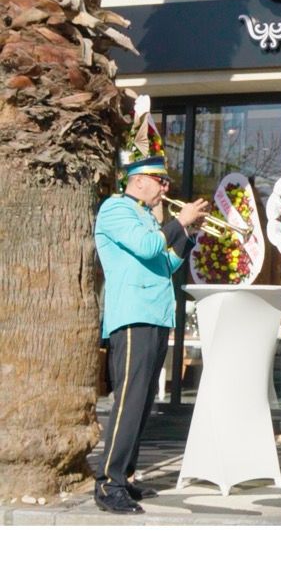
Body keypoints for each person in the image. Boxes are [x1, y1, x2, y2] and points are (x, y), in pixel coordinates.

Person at [93, 155, 208, 514]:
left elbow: (165, 263)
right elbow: (147, 247)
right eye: (161, 181)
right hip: (132, 316)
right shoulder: (116, 209)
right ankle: (108, 483)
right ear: (139, 180)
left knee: (143, 404)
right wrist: (179, 221)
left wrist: (188, 234)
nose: (165, 188)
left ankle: (125, 476)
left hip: (155, 315)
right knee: (129, 402)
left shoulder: (145, 217)